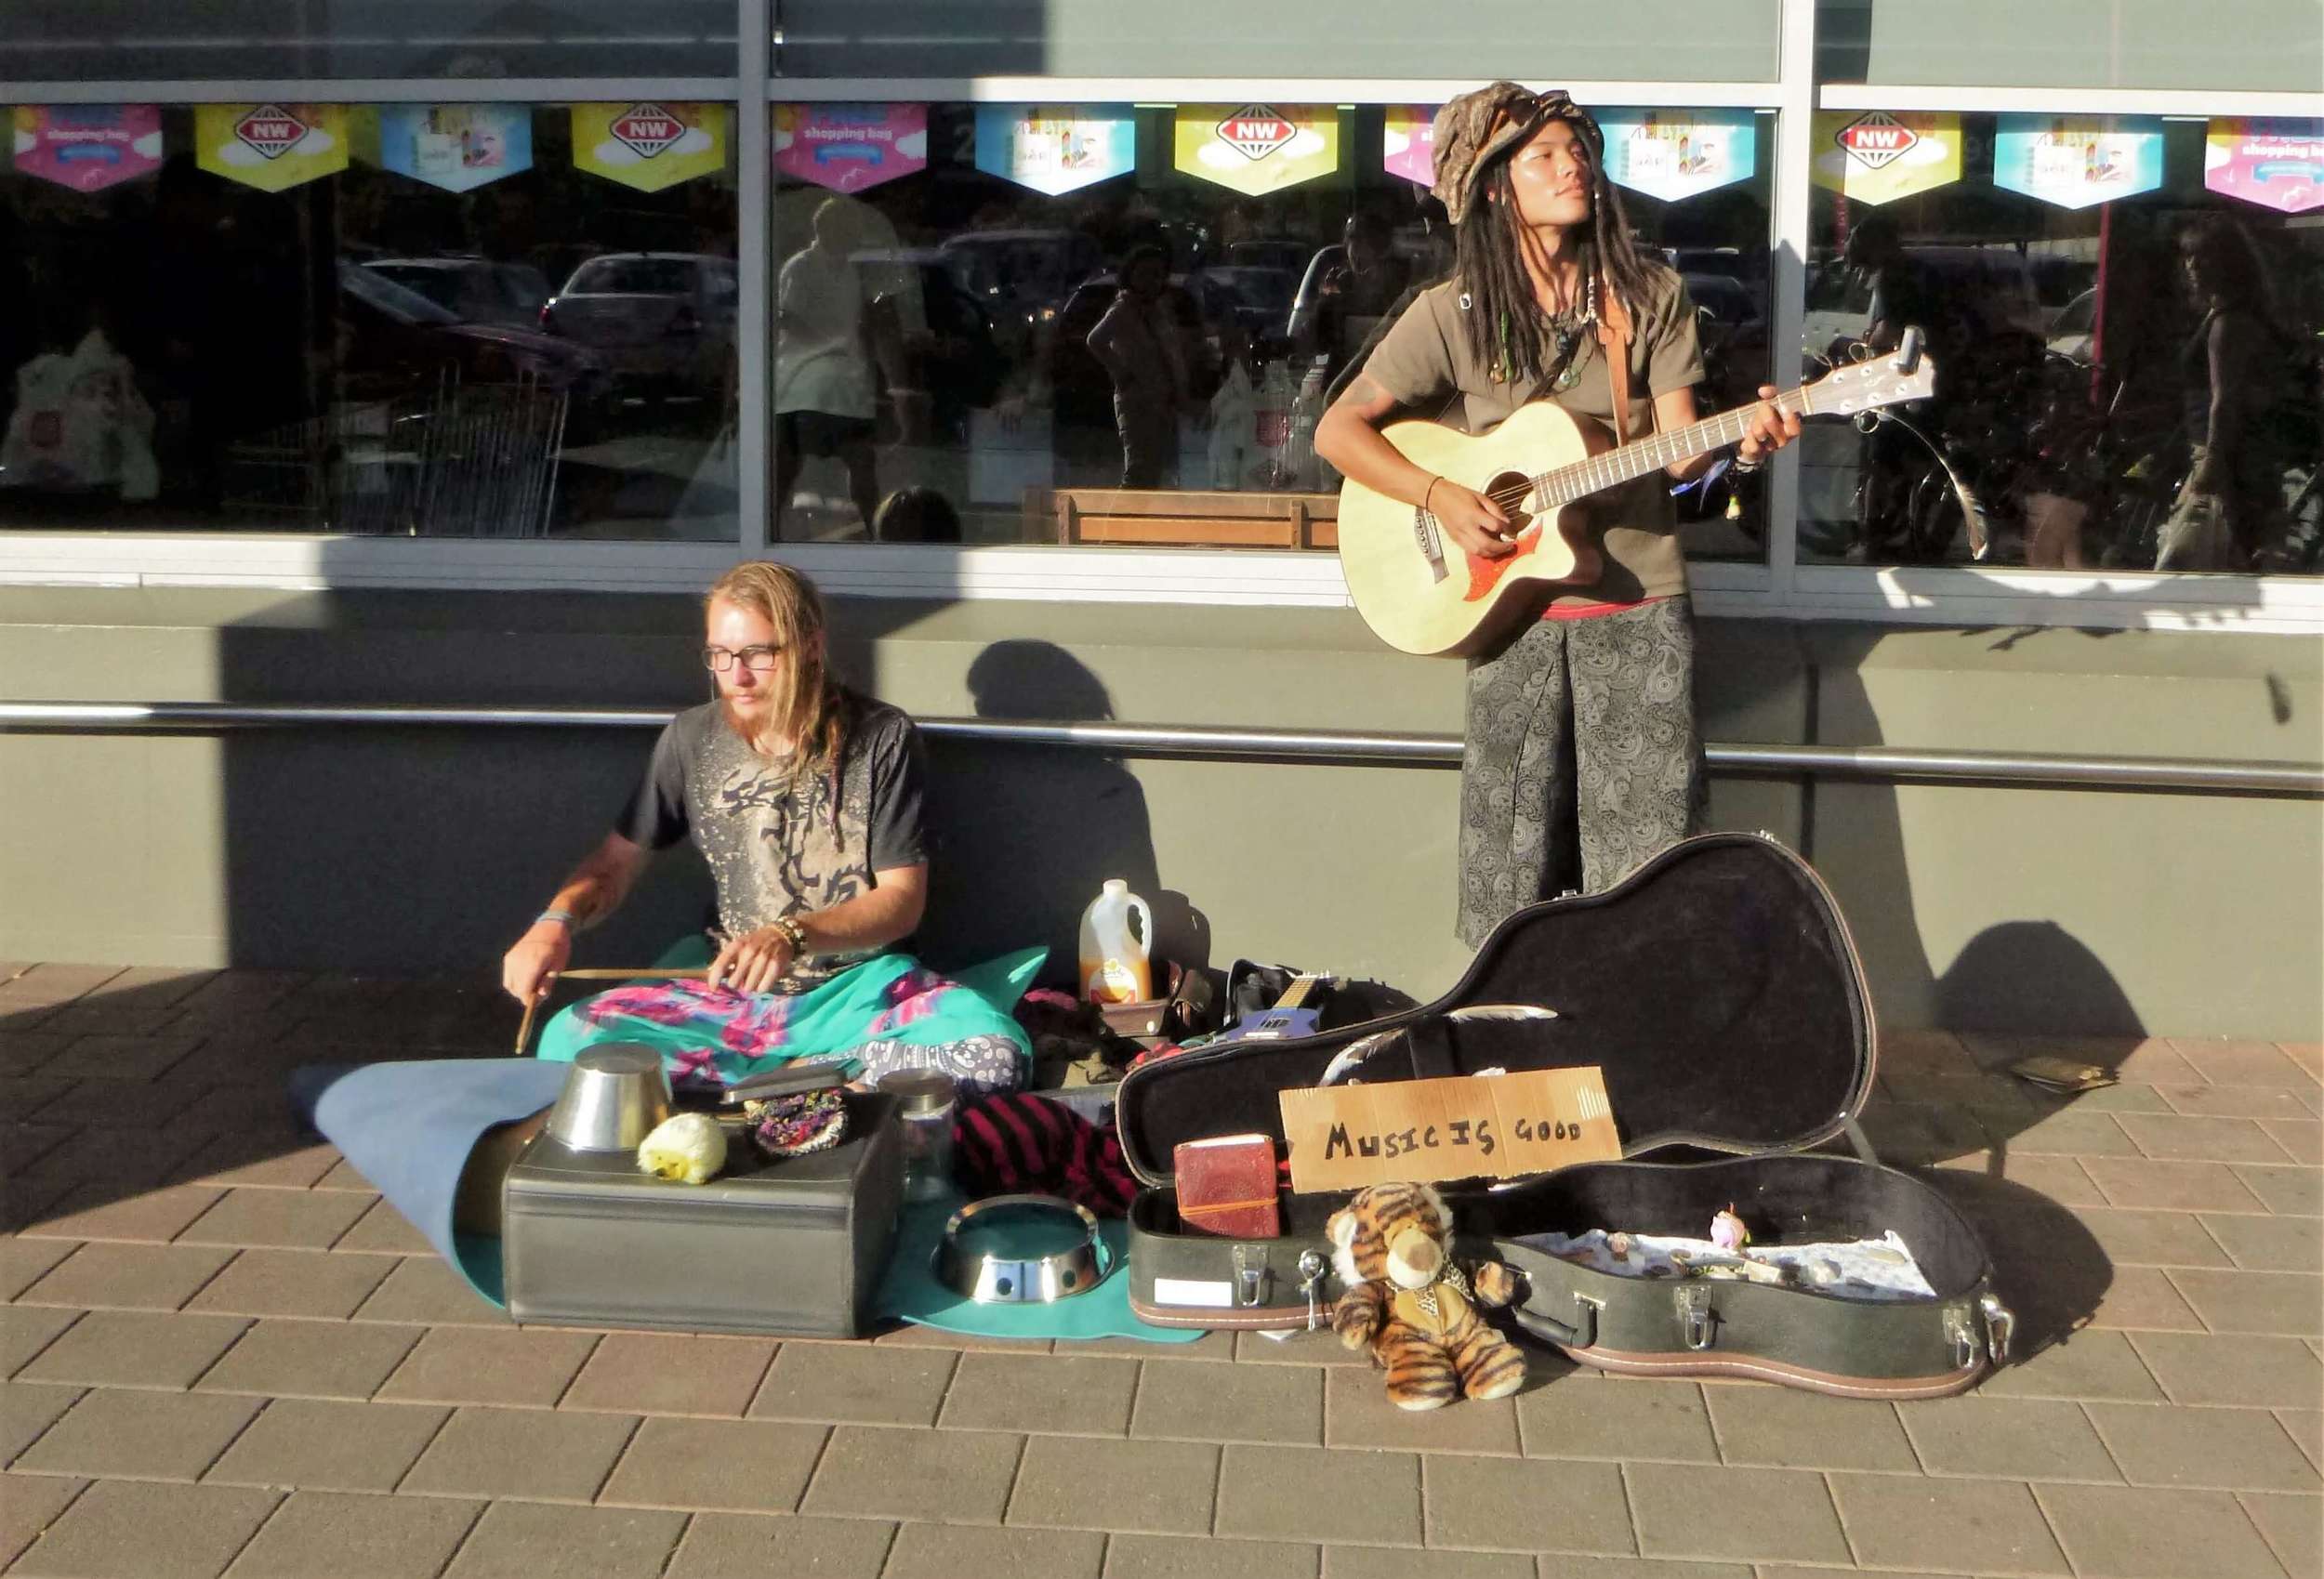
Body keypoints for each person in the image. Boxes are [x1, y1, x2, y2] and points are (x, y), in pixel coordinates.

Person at [1314, 83, 1798, 947]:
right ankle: (1519, 1049)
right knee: (1508, 868)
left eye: (1578, 151)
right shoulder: (1451, 312)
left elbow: (1685, 454)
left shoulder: (1646, 298)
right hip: (1511, 615)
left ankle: (1637, 1050)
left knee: (1648, 870)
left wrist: (1746, 445)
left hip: (1636, 608)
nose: (1572, 166)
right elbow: (1339, 430)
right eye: (1545, 156)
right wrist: (1442, 496)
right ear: (1498, 187)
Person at [501, 561, 1030, 1093]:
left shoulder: (881, 739)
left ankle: (768, 1085)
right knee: (569, 1046)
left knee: (992, 1058)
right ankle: (806, 1083)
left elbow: (901, 900)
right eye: (720, 655)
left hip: (853, 991)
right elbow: (615, 863)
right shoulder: (691, 739)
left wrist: (792, 934)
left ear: (811, 645)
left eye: (759, 654)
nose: (737, 675)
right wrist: (554, 922)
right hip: (727, 998)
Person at [2158, 214, 2296, 571]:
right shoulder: (2231, 314)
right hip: (2237, 449)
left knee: (2191, 551)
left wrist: (2209, 469)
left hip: (2220, 450)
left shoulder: (2228, 323)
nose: (2191, 266)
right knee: (2234, 548)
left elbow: (2224, 399)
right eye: (2188, 256)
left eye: (2201, 257)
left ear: (2225, 263)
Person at [774, 199, 884, 536]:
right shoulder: (800, 267)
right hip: (802, 383)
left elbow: (860, 324)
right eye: (846, 227)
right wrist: (830, 342)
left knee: (862, 461)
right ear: (823, 229)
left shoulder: (851, 272)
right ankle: (766, 532)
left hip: (846, 383)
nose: (854, 235)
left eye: (854, 228)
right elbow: (789, 318)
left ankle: (876, 533)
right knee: (786, 465)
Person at [1085, 244, 1195, 487]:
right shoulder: (1123, 309)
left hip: (1160, 400)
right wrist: (1121, 372)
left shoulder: (1158, 311)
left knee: (1153, 469)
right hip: (1137, 401)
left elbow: (1170, 352)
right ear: (1130, 275)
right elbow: (1095, 340)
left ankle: (1141, 521)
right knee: (1137, 469)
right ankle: (1119, 522)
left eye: (1156, 275)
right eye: (1143, 273)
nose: (1150, 281)